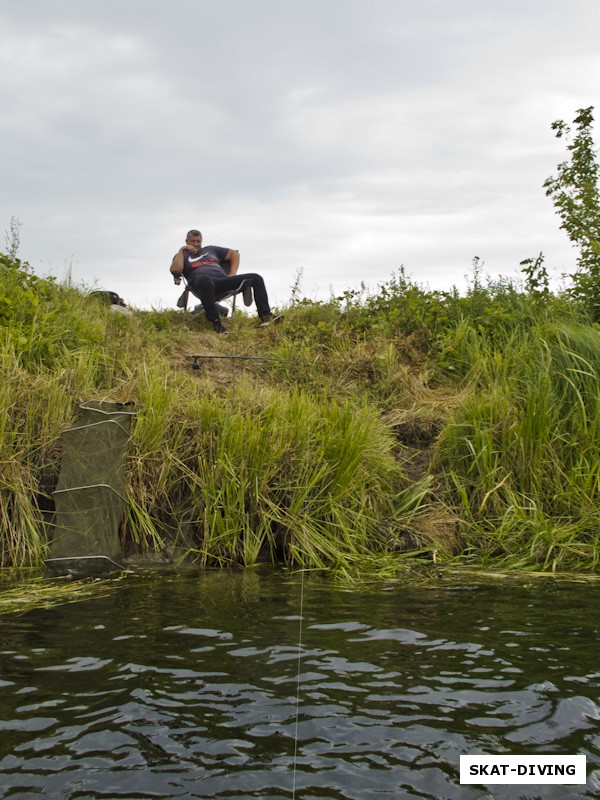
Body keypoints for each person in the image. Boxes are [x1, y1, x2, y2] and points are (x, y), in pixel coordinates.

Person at [170, 229, 281, 333]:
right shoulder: (182, 255)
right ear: (186, 241)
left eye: (198, 241)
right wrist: (182, 249)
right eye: (192, 241)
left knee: (256, 277)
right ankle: (216, 322)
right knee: (204, 279)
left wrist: (232, 274)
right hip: (200, 283)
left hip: (222, 281)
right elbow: (175, 270)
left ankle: (266, 316)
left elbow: (234, 254)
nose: (196, 244)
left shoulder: (210, 249)